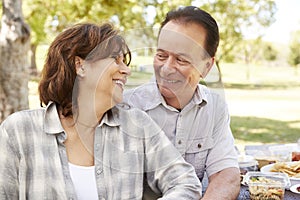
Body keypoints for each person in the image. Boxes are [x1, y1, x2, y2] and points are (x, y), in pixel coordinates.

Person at [0, 22, 202, 199]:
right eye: (116, 59)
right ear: (80, 65)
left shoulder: (137, 126)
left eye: (125, 62)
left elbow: (186, 183)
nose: (126, 70)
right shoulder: (19, 131)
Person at [124, 6, 240, 199]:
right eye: (161, 56)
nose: (167, 69)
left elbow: (225, 175)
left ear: (207, 66)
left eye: (181, 60)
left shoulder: (215, 107)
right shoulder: (127, 107)